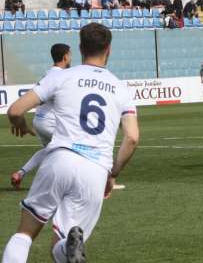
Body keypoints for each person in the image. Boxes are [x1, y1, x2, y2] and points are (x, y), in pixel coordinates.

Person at [1, 23, 139, 263]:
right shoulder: (120, 88)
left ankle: (65, 247)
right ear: (109, 49)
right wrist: (113, 174)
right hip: (95, 170)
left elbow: (15, 110)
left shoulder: (63, 77)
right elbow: (132, 138)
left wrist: (21, 124)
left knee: (25, 233)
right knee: (62, 242)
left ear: (80, 47)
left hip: (60, 159)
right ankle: (67, 246)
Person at [10, 44, 71, 190]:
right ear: (65, 57)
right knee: (76, 148)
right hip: (51, 123)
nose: (71, 58)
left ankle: (20, 173)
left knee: (48, 151)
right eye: (70, 55)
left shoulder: (49, 73)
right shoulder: (61, 76)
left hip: (39, 120)